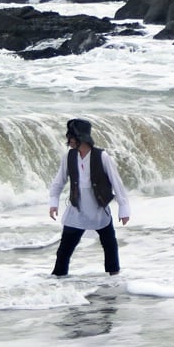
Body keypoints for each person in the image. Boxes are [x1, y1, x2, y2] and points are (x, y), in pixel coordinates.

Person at [48, 118, 131, 276]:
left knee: (109, 244)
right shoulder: (69, 157)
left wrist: (123, 208)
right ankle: (58, 279)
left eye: (71, 137)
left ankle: (114, 278)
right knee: (64, 248)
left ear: (81, 137)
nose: (69, 141)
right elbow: (59, 181)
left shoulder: (102, 156)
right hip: (77, 209)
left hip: (98, 208)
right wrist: (54, 202)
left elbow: (117, 182)